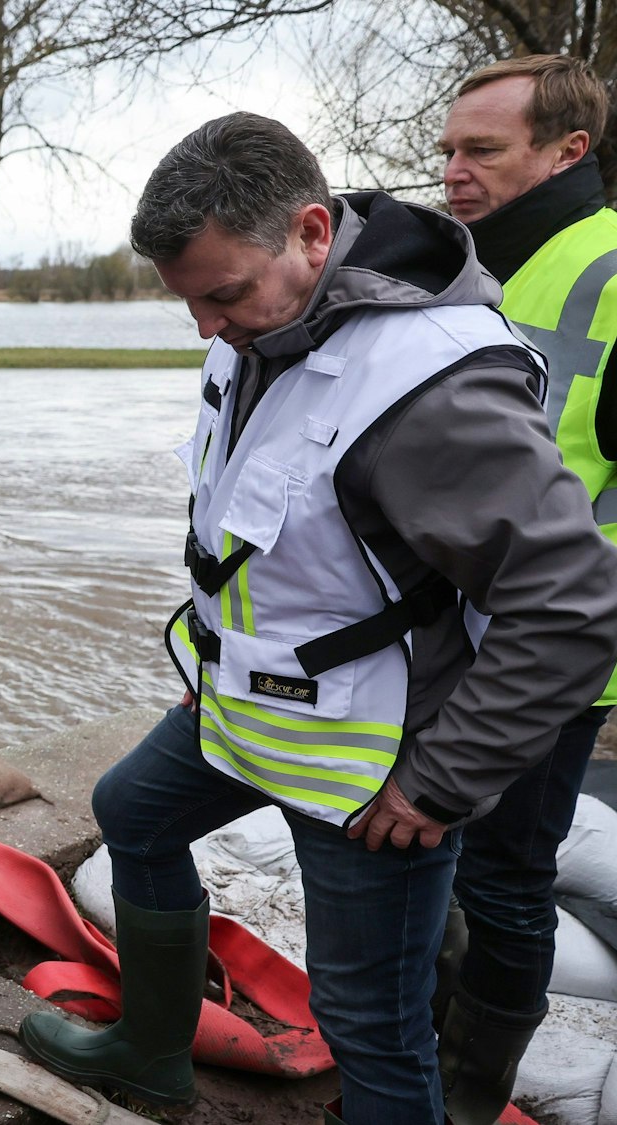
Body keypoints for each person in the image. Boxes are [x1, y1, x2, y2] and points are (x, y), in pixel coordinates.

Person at [14, 112, 617, 1125]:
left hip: (369, 760)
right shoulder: (264, 320)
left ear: (307, 232)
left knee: (367, 1021)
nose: (203, 327)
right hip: (248, 707)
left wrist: (442, 782)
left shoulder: (430, 385)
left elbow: (568, 604)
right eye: (186, 302)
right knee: (129, 811)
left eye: (220, 295)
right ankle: (152, 1054)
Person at [435, 55, 617, 1124]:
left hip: (544, 649)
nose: (452, 172)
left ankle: (466, 1096)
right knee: (444, 859)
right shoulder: (466, 262)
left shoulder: (602, 270)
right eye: (447, 150)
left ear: (565, 153)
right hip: (446, 636)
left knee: (503, 874)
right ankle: (415, 1060)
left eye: (481, 152)